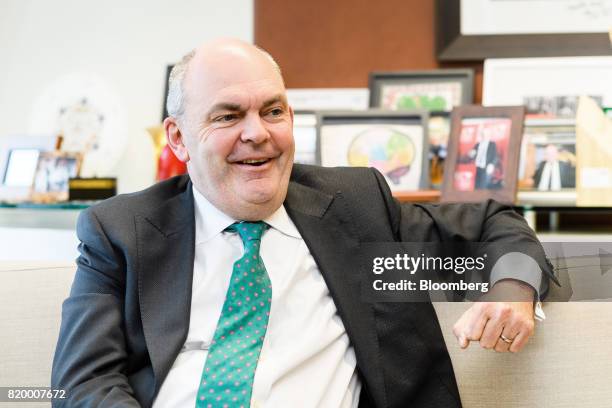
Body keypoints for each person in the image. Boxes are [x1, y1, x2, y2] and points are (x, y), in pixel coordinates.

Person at [51, 39, 554, 408]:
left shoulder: (356, 207)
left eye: (273, 111)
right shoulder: (121, 231)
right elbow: (82, 384)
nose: (258, 134)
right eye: (227, 117)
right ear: (178, 138)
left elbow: (494, 222)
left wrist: (512, 289)